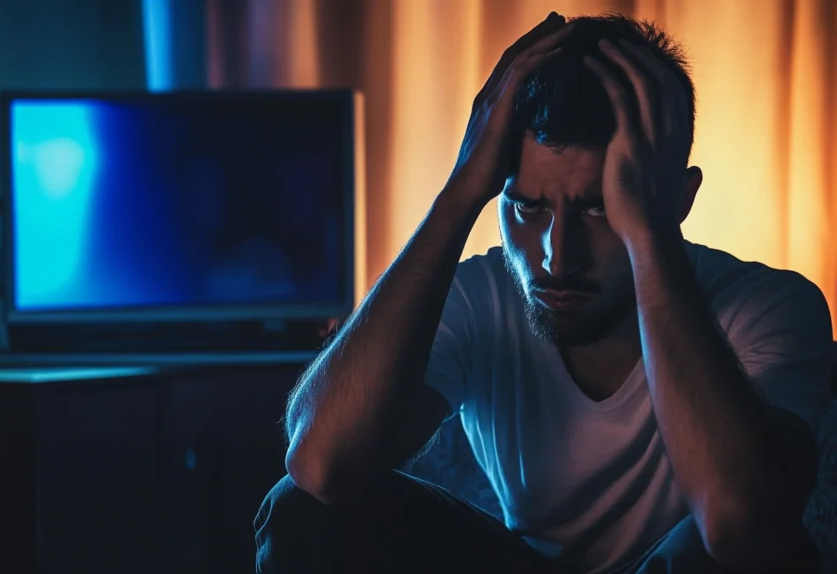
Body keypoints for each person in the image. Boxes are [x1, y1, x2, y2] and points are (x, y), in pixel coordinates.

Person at [254, 12, 832, 574]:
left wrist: (649, 238)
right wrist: (459, 194)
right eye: (527, 207)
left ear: (677, 200)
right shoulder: (480, 300)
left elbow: (737, 526)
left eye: (599, 207)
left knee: (740, 539)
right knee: (300, 509)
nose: (559, 255)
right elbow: (320, 465)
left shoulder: (771, 307)